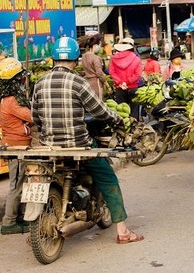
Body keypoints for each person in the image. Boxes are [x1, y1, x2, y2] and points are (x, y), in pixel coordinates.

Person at [31, 37, 143, 244]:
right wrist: (118, 118)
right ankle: (123, 232)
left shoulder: (40, 83)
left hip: (49, 147)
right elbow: (99, 111)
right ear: (75, 59)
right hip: (78, 144)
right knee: (108, 179)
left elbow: (35, 117)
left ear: (53, 58)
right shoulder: (78, 82)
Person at [0, 58, 32, 235]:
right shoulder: (12, 101)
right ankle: (9, 222)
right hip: (18, 147)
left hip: (14, 145)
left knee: (17, 182)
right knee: (17, 184)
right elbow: (32, 116)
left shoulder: (5, 99)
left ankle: (18, 217)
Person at [110, 37, 142, 118]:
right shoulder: (136, 59)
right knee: (134, 111)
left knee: (121, 112)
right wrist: (127, 82)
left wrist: (121, 82)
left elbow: (112, 73)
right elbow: (137, 74)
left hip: (119, 88)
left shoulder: (114, 58)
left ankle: (122, 129)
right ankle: (134, 128)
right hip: (133, 88)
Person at [81, 34, 107, 99]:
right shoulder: (95, 58)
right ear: (95, 45)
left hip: (87, 83)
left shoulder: (84, 56)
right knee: (98, 102)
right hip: (96, 84)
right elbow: (99, 73)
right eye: (99, 46)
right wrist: (106, 83)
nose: (100, 48)